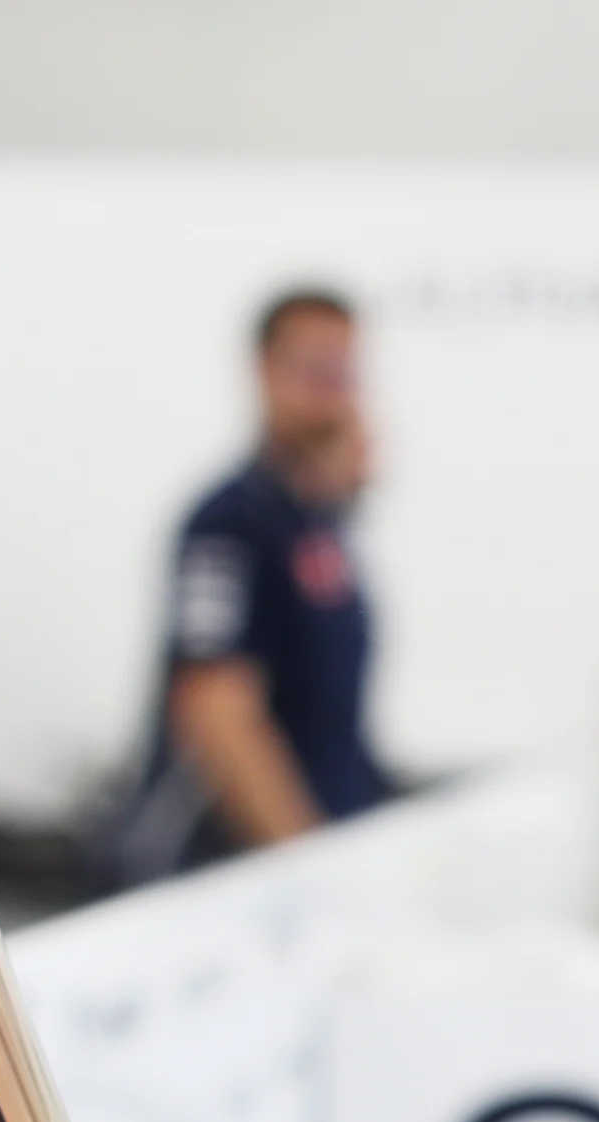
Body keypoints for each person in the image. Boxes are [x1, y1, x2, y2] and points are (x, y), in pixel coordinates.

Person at [105, 286, 388, 884]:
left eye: (343, 372)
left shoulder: (318, 524)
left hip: (317, 851)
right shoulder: (229, 524)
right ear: (264, 370)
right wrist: (311, 866)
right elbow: (215, 710)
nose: (333, 393)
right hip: (227, 874)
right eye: (315, 370)